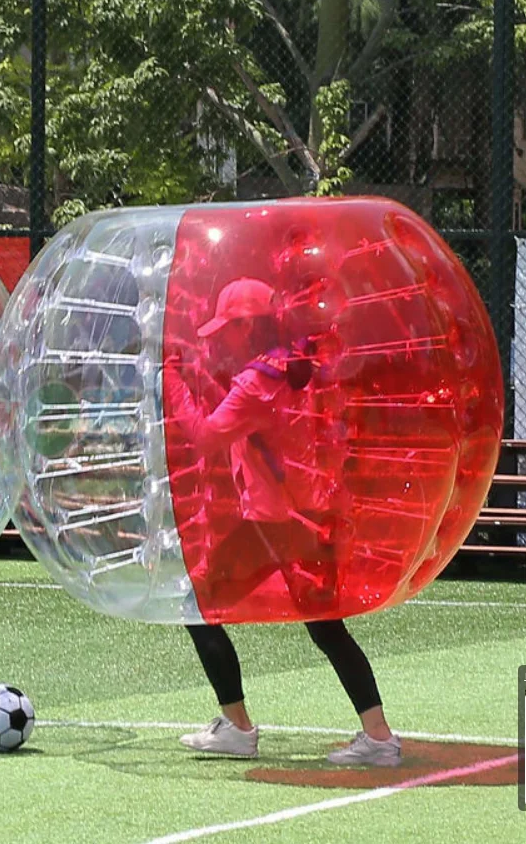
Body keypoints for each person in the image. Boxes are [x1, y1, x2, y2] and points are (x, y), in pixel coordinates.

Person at [162, 277, 401, 767]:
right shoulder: (296, 364)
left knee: (197, 605)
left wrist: (171, 380)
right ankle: (379, 737)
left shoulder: (257, 382)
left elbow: (205, 436)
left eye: (227, 329)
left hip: (274, 524)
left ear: (249, 326)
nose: (220, 339)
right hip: (312, 517)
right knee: (327, 629)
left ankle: (237, 727)